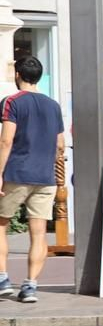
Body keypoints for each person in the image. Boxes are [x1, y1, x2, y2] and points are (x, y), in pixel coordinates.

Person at [0, 56, 64, 303]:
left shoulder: (11, 102)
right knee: (38, 234)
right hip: (44, 176)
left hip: (16, 173)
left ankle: (3, 278)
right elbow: (60, 145)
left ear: (18, 75)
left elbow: (6, 141)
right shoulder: (53, 105)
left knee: (1, 224)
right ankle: (30, 286)